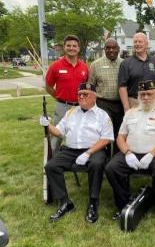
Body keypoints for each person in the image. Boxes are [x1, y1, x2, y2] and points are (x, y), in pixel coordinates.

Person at [40, 83, 114, 223]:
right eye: (79, 94)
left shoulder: (102, 115)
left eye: (85, 94)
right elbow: (59, 132)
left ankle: (93, 202)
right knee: (51, 166)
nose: (81, 97)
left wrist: (88, 153)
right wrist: (47, 125)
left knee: (96, 164)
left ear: (94, 97)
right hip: (71, 150)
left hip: (94, 149)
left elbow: (107, 139)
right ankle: (65, 202)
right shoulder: (71, 112)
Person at [105, 80, 155, 232]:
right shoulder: (130, 113)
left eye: (149, 94)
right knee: (111, 168)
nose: (146, 97)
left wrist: (152, 154)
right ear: (138, 96)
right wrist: (127, 153)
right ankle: (125, 203)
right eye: (142, 94)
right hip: (131, 152)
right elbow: (120, 138)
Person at [45, 35, 89, 153]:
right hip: (62, 106)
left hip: (80, 106)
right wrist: (59, 97)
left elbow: (87, 88)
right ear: (64, 47)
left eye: (74, 46)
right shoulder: (55, 66)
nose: (71, 48)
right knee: (57, 135)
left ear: (78, 48)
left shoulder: (84, 67)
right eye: (68, 45)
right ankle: (51, 161)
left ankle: (79, 158)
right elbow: (48, 87)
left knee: (80, 132)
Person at [89, 38, 124, 156]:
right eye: (108, 48)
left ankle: (117, 161)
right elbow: (91, 86)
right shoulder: (95, 64)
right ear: (104, 49)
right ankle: (105, 159)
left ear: (119, 49)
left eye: (114, 47)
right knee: (105, 134)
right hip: (103, 104)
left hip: (121, 104)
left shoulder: (124, 64)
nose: (111, 50)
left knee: (120, 133)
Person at [118, 32, 155, 113]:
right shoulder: (126, 63)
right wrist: (126, 107)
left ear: (147, 44)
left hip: (152, 102)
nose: (137, 44)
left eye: (140, 42)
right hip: (134, 102)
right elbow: (122, 87)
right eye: (135, 42)